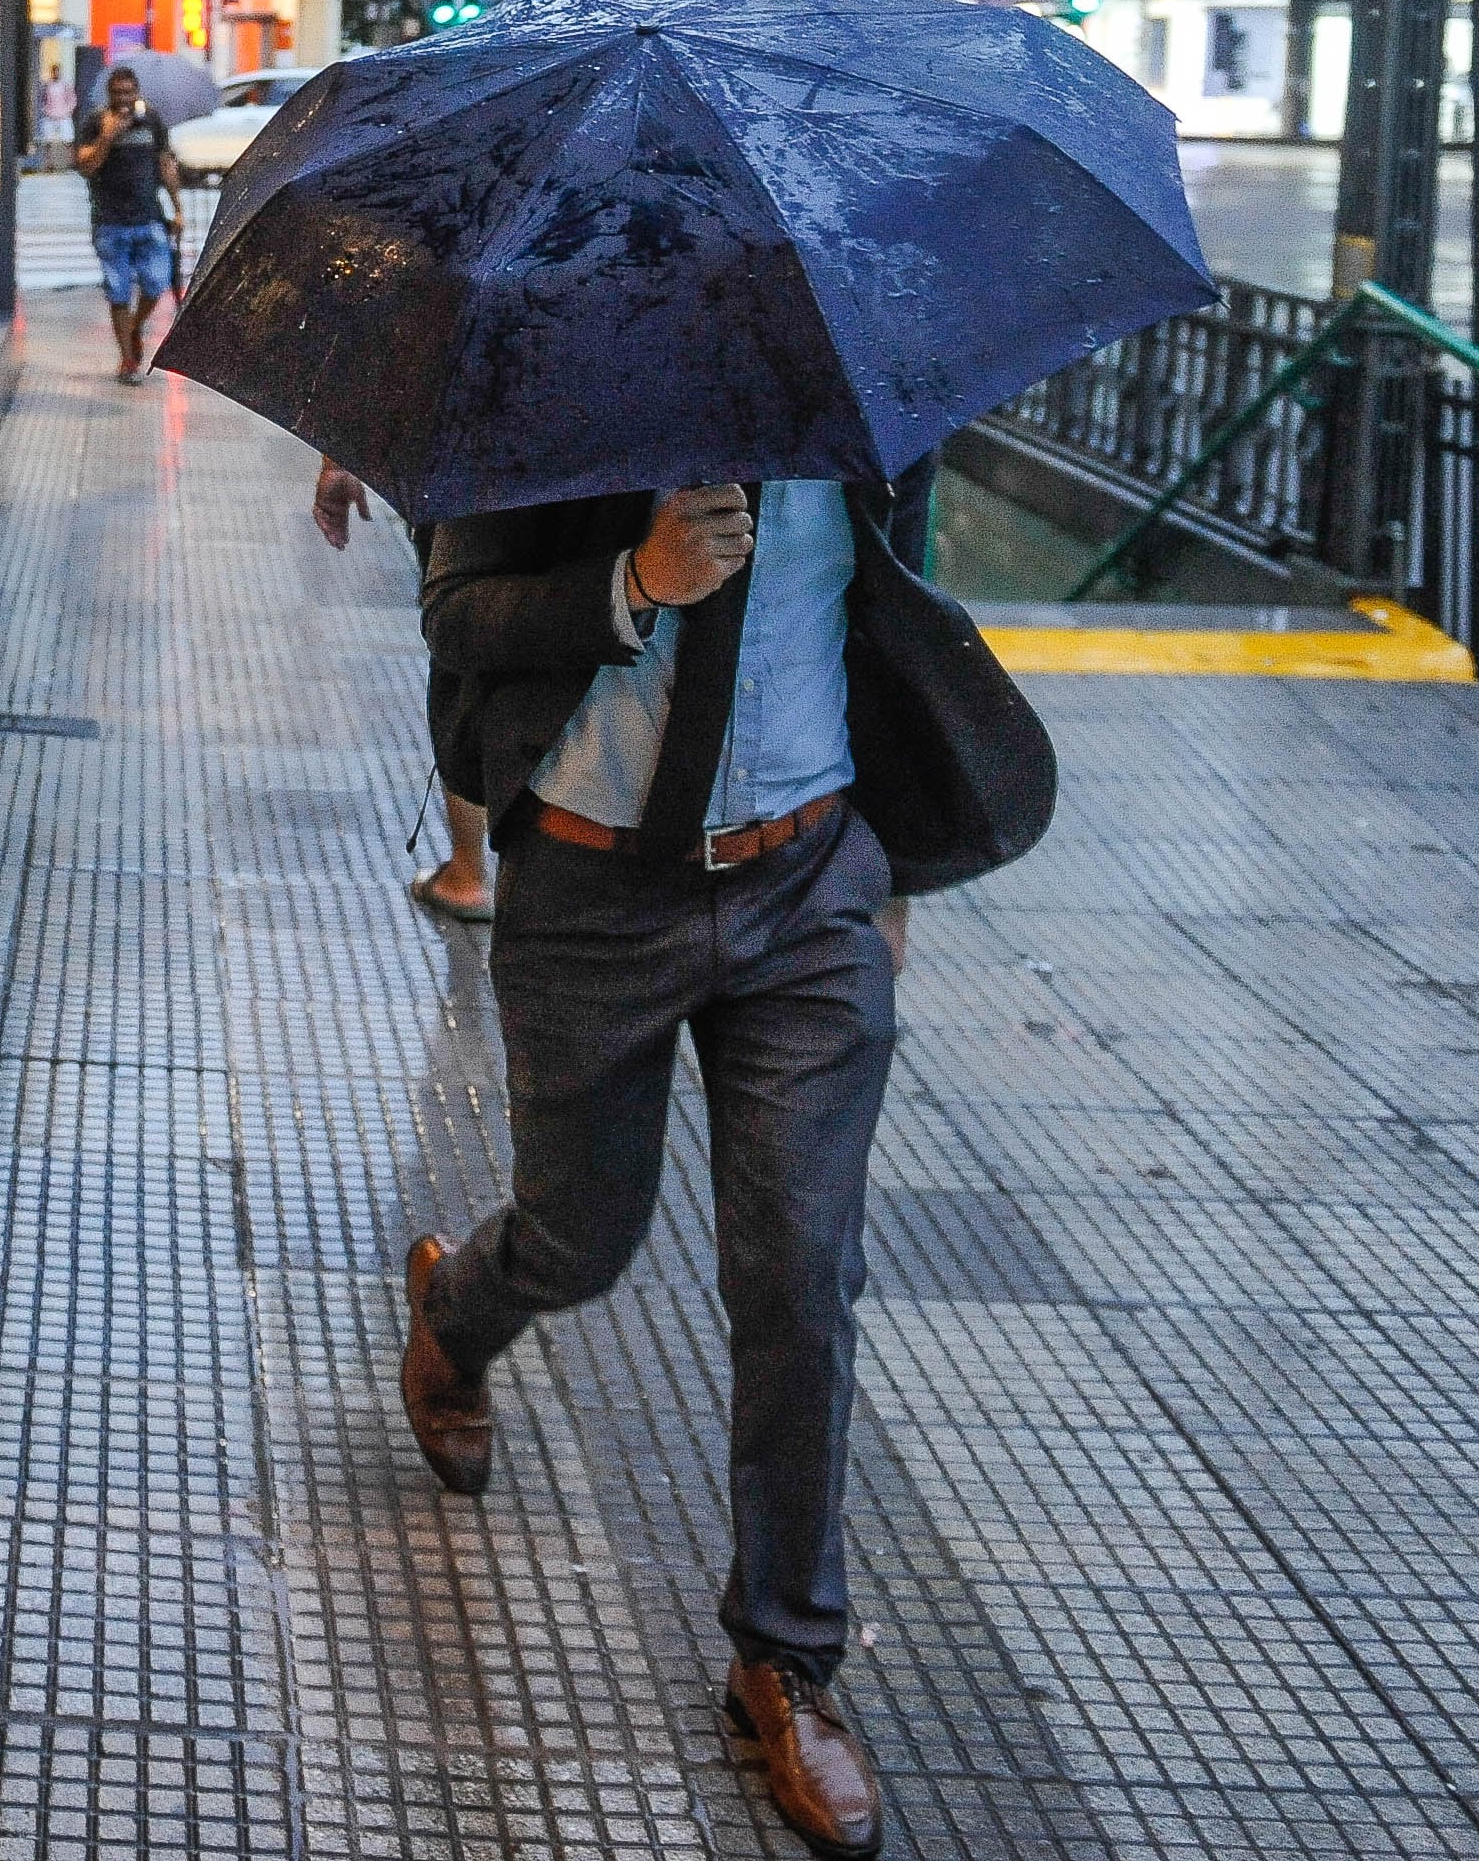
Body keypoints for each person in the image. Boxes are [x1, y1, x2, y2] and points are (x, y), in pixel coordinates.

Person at [399, 465, 1049, 1859]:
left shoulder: (863, 394)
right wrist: (637, 582)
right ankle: (457, 1309)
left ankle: (786, 1660)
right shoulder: (566, 385)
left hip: (807, 884)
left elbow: (881, 608)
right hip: (591, 888)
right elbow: (457, 615)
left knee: (802, 1268)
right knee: (586, 1238)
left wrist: (893, 881)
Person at [311, 456, 489, 921]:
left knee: (464, 655)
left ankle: (471, 872)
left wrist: (341, 460)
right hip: (610, 500)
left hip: (471, 486)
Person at [71, 61, 182, 385]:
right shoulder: (95, 122)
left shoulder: (151, 120)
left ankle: (134, 327)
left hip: (148, 215)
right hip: (110, 220)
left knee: (156, 283)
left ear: (136, 92)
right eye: (117, 93)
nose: (123, 98)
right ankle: (127, 359)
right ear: (109, 94)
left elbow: (165, 163)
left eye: (128, 92)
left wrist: (177, 208)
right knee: (118, 290)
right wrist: (107, 137)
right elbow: (85, 167)